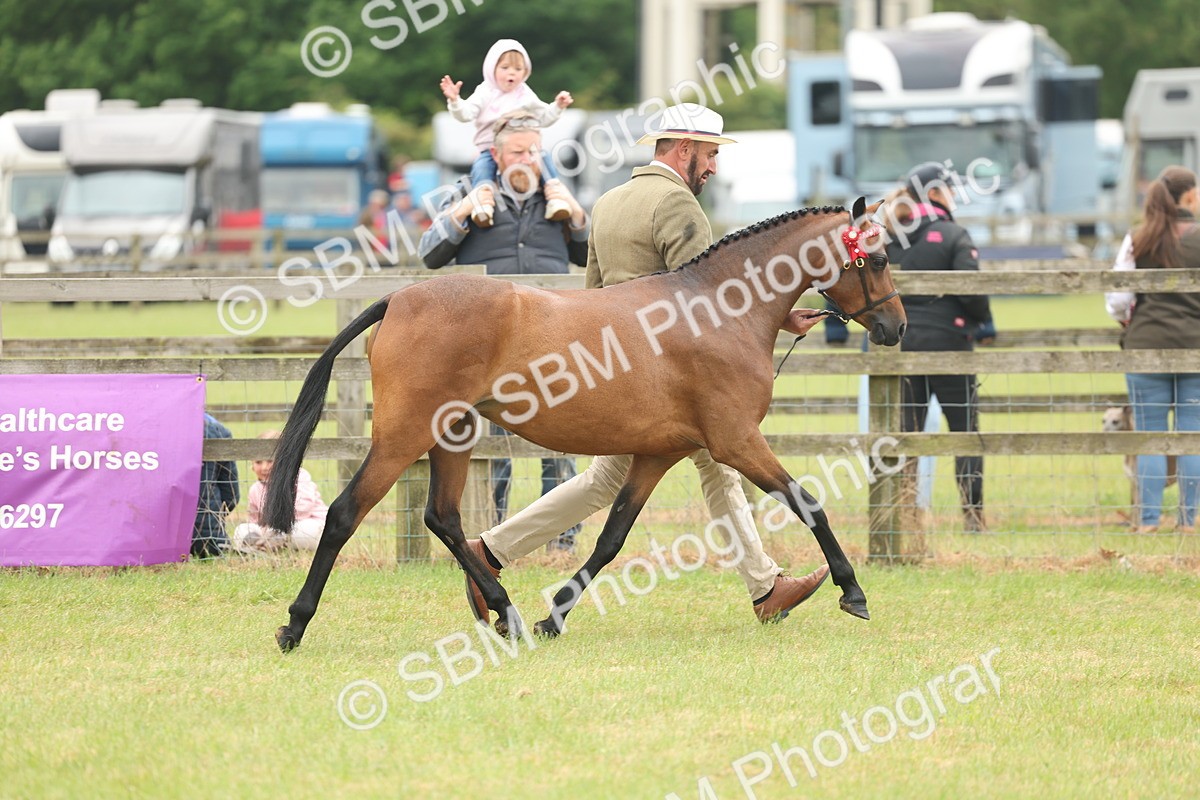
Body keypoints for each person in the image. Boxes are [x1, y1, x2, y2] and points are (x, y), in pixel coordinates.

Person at [461, 103, 830, 626]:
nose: (714, 167)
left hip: (611, 366)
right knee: (720, 465)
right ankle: (765, 586)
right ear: (683, 149)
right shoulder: (678, 205)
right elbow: (711, 303)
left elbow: (591, 296)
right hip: (669, 378)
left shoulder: (610, 201)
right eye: (709, 155)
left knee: (608, 481)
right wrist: (777, 319)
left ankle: (490, 550)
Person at [419, 111, 589, 552]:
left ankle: (561, 542)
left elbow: (589, 255)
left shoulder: (556, 194)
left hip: (552, 340)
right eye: (518, 151)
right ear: (495, 155)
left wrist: (576, 215)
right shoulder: (467, 192)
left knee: (560, 440)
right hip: (488, 349)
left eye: (535, 151)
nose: (527, 159)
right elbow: (429, 255)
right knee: (492, 447)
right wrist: (463, 209)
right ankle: (490, 537)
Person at [889, 163, 995, 533]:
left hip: (901, 349)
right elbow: (973, 293)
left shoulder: (889, 237)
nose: (952, 196)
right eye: (949, 189)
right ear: (935, 193)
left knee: (905, 434)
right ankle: (973, 518)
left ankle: (903, 515)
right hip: (950, 344)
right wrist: (984, 322)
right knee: (965, 432)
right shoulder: (954, 234)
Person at [1105, 165, 1200, 533]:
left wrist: (1128, 320)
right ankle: (1188, 521)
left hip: (1146, 349)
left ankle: (1146, 521)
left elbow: (1117, 299)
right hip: (1195, 350)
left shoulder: (1138, 239)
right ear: (1189, 196)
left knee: (1149, 434)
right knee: (1192, 434)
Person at [440, 38, 574, 227]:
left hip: (524, 148)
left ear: (525, 72)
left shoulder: (524, 93)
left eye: (518, 69)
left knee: (544, 158)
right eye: (505, 68)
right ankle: (483, 205)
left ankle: (555, 198)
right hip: (490, 147)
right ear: (492, 69)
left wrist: (558, 106)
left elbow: (544, 118)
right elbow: (466, 114)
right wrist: (455, 101)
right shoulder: (485, 92)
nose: (512, 73)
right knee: (482, 170)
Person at [232, 431, 327, 552]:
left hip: (307, 525)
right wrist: (263, 532)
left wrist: (278, 529)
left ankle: (275, 542)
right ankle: (259, 546)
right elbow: (255, 520)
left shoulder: (299, 476)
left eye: (270, 461)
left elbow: (303, 510)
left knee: (304, 530)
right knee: (242, 530)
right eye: (258, 462)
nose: (264, 467)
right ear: (252, 464)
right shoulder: (255, 490)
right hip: (271, 533)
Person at [193, 413, 239, 558]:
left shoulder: (153, 428)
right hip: (211, 541)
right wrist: (215, 517)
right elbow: (231, 495)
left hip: (158, 542)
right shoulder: (217, 430)